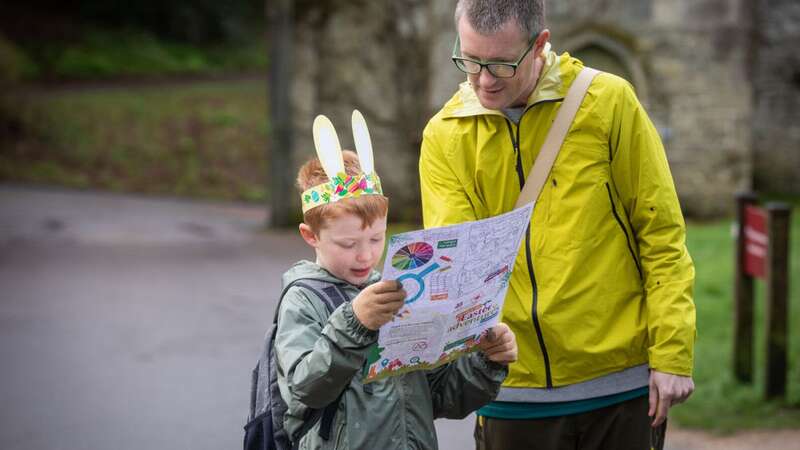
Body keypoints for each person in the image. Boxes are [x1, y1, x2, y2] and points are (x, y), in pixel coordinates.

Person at [418, 1, 696, 449]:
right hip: (509, 389)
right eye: (470, 61)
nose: (484, 80)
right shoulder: (445, 135)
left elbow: (660, 234)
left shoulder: (607, 104)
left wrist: (673, 354)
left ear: (540, 45)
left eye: (502, 64)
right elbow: (458, 264)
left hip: (617, 385)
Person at [277, 133, 518, 449]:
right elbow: (303, 390)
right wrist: (355, 323)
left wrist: (486, 362)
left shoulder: (394, 291)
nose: (365, 255)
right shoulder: (303, 298)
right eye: (348, 244)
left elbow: (442, 397)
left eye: (377, 239)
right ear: (311, 236)